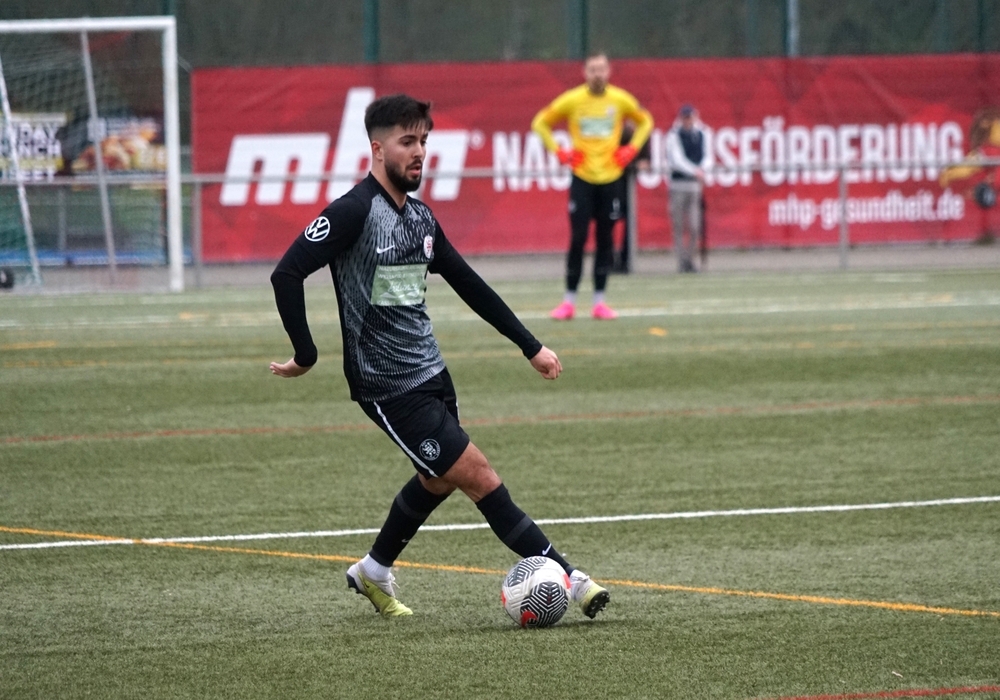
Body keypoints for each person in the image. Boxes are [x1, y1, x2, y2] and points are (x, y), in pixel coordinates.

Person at [269, 94, 610, 619]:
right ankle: (571, 576)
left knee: (439, 478)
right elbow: (287, 273)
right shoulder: (353, 211)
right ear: (377, 149)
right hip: (385, 385)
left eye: (424, 140)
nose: (419, 152)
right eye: (407, 141)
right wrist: (306, 354)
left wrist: (530, 345)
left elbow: (469, 283)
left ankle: (373, 570)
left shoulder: (421, 218)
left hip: (432, 374)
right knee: (478, 474)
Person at [532, 52, 653, 320]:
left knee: (605, 240)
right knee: (578, 238)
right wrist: (559, 152)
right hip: (582, 178)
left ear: (609, 72)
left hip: (611, 179)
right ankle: (569, 302)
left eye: (601, 69)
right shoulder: (572, 100)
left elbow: (646, 121)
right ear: (584, 73)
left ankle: (599, 302)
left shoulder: (620, 100)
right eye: (593, 70)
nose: (597, 74)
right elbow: (540, 123)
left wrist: (632, 149)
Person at [665, 104, 710, 273]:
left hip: (694, 186)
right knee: (678, 226)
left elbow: (708, 156)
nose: (688, 121)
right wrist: (695, 171)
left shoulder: (702, 134)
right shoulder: (673, 135)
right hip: (678, 185)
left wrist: (702, 169)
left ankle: (689, 259)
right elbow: (677, 160)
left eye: (690, 117)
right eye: (685, 117)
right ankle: (682, 261)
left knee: (694, 226)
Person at [612, 122, 652, 274]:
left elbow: (646, 161)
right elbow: (616, 159)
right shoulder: (619, 134)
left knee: (629, 223)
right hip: (613, 183)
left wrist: (634, 165)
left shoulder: (642, 136)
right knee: (609, 221)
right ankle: (609, 259)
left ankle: (626, 261)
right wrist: (634, 165)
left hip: (629, 186)